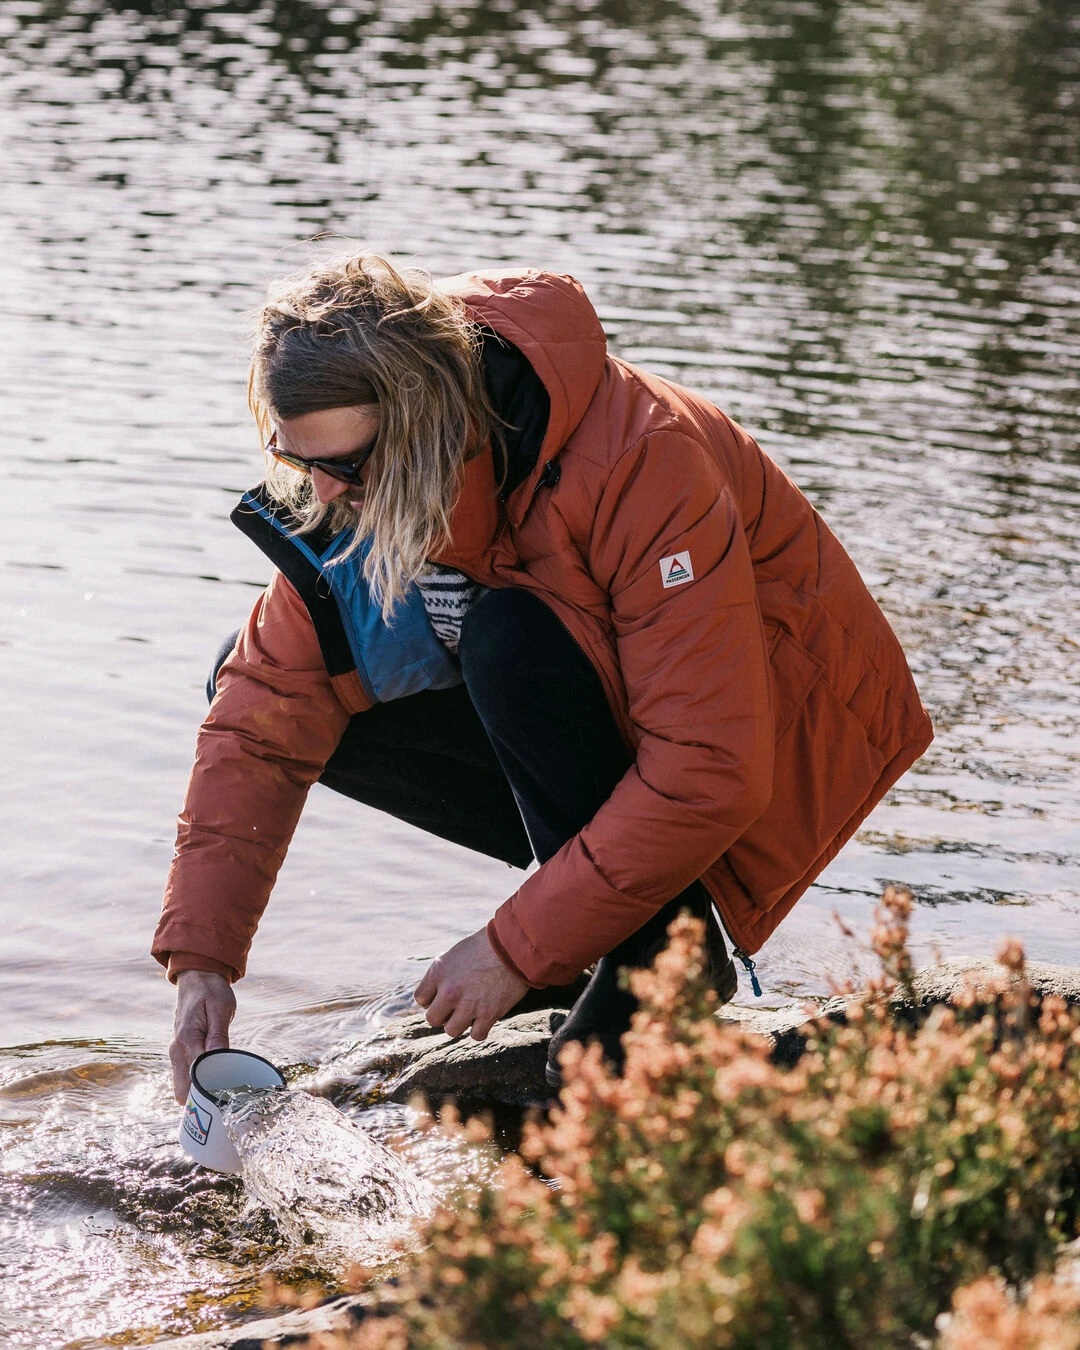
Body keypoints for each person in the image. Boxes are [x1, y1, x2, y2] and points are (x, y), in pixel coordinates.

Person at [153, 254, 933, 1103]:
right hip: (618, 727)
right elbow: (261, 716)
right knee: (251, 678)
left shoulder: (644, 458)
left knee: (509, 638)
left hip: (770, 727)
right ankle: (598, 933)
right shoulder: (365, 479)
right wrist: (202, 966)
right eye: (298, 460)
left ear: (423, 419)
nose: (326, 492)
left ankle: (664, 957)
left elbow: (712, 767)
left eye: (348, 465)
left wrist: (509, 949)